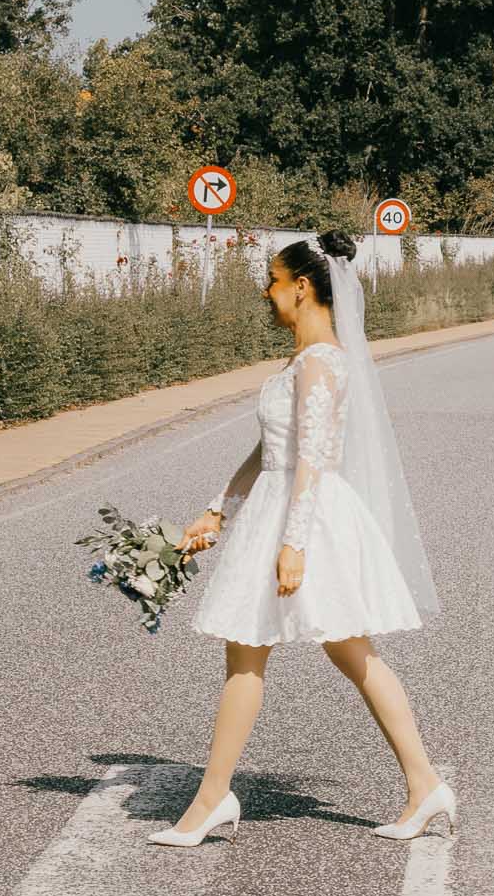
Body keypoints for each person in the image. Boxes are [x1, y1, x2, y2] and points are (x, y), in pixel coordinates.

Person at [152, 230, 454, 847]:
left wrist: (294, 544)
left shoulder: (319, 362)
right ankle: (424, 785)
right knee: (341, 654)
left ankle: (213, 799)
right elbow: (270, 451)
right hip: (284, 507)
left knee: (280, 651)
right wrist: (217, 511)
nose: (267, 292)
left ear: (302, 286)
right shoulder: (303, 359)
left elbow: (313, 458)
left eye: (272, 280)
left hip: (304, 516)